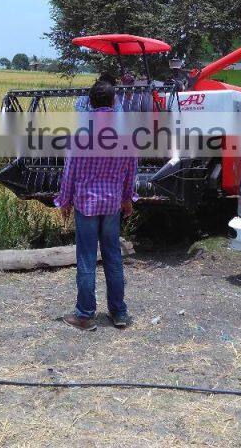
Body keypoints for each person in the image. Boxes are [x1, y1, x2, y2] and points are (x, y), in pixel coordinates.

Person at [55, 80, 137, 330]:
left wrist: (64, 201)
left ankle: (85, 315)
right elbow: (131, 169)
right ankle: (119, 313)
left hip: (86, 203)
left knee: (87, 258)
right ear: (113, 102)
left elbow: (70, 170)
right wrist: (127, 198)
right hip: (112, 203)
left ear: (90, 102)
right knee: (113, 257)